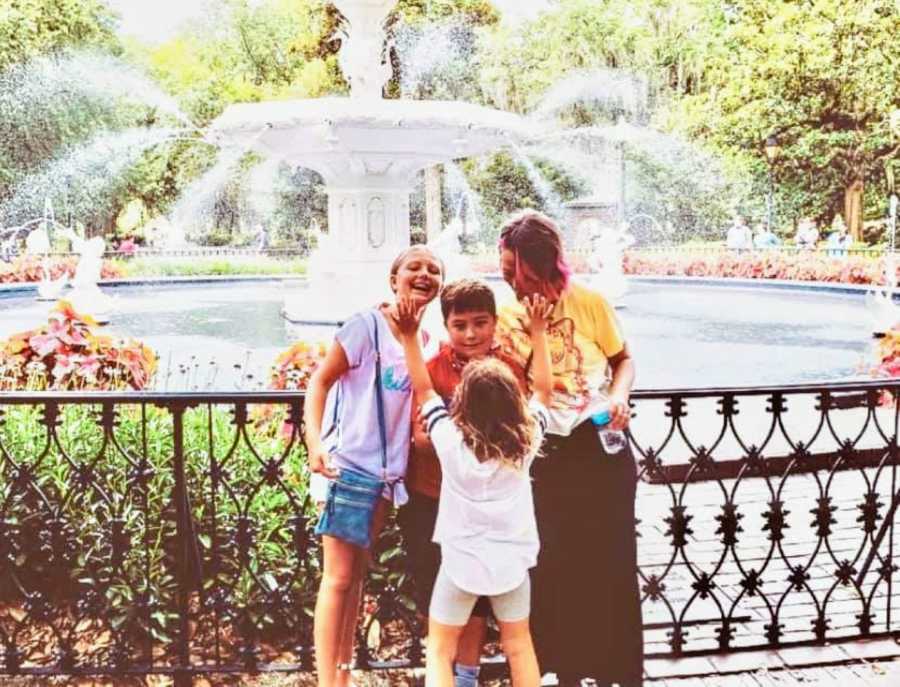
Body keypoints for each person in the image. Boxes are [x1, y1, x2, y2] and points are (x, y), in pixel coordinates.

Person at [495, 210, 643, 687]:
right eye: (506, 273)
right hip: (544, 453)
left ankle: (615, 669)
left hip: (599, 445)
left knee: (608, 557)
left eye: (522, 273)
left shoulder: (590, 303)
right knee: (552, 561)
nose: (515, 283)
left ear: (549, 263)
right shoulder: (505, 316)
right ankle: (565, 668)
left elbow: (623, 360)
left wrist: (619, 395)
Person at [393, 289, 554, 687]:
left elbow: (426, 390)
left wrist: (411, 337)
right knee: (519, 645)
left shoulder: (450, 444)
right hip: (511, 567)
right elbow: (545, 391)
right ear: (514, 405)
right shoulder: (526, 445)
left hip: (460, 564)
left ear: (461, 404)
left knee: (439, 649)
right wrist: (538, 331)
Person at [303, 245, 444, 687]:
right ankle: (330, 682)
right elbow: (319, 381)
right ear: (394, 279)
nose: (425, 274)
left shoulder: (422, 341)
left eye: (434, 270)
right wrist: (315, 443)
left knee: (356, 579)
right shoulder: (366, 326)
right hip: (350, 469)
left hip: (388, 478)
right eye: (414, 267)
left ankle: (342, 675)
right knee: (339, 579)